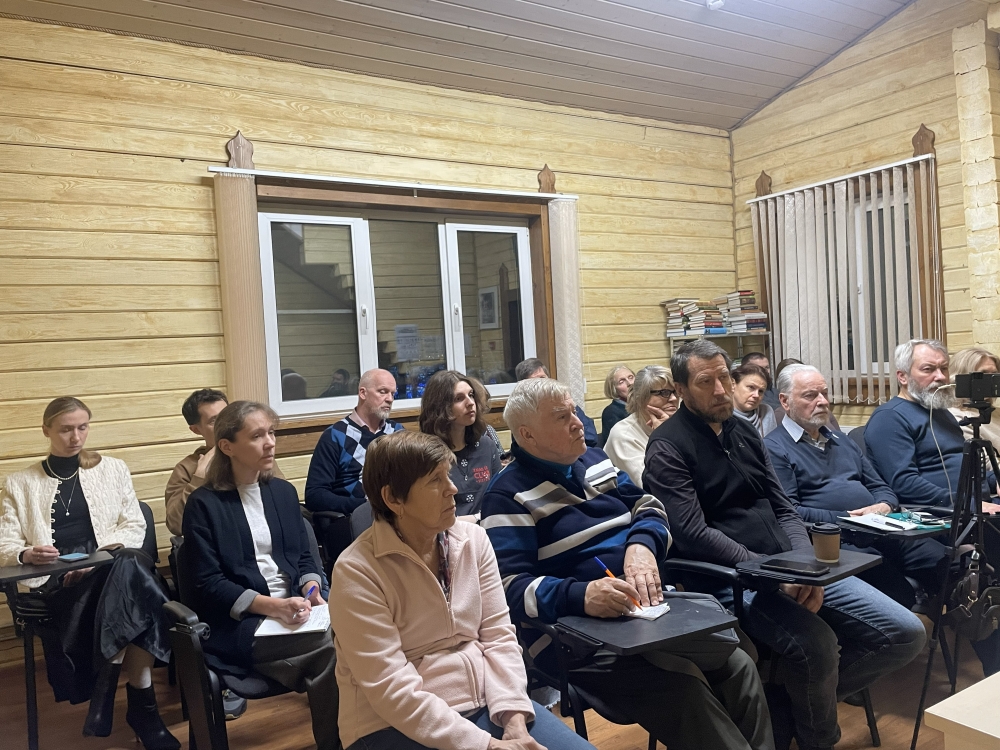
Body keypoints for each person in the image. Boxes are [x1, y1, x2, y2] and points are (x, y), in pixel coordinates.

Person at [644, 340, 925, 750]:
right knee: (819, 646)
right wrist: (775, 575)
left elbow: (784, 507)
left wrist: (802, 566)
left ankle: (793, 704)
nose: (721, 389)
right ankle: (818, 740)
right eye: (706, 381)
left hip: (791, 564)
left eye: (724, 377)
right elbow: (692, 532)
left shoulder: (743, 431)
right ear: (682, 390)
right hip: (730, 580)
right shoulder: (668, 446)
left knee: (906, 633)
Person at [481, 377, 775, 750]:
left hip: (648, 613)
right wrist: (581, 595)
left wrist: (642, 546)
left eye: (575, 411)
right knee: (684, 687)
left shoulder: (594, 460)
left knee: (739, 665)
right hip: (579, 640)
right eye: (562, 417)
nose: (578, 423)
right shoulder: (507, 496)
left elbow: (650, 506)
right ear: (527, 434)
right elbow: (508, 589)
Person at [330, 430, 595, 750]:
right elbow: (390, 687)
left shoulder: (473, 540)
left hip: (488, 702)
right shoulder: (356, 571)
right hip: (388, 724)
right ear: (393, 499)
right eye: (435, 480)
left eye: (448, 475)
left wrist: (514, 719)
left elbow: (499, 635)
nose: (453, 488)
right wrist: (486, 745)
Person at [0, 397, 178, 749]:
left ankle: (108, 682)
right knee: (139, 588)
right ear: (46, 430)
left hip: (108, 567)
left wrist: (96, 562)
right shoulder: (20, 482)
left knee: (126, 567)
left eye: (82, 427)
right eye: (66, 429)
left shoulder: (113, 469)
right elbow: (5, 543)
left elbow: (133, 525)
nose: (76, 437)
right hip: (57, 580)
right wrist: (26, 553)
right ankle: (142, 709)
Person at [182, 401, 340, 750]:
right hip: (240, 625)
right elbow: (208, 583)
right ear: (227, 446)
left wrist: (312, 588)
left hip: (297, 612)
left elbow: (303, 557)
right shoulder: (204, 505)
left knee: (357, 633)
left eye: (271, 432)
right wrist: (273, 607)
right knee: (334, 649)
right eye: (257, 436)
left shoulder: (282, 492)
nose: (270, 443)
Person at [765, 364, 948, 609]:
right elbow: (790, 512)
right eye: (810, 395)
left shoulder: (841, 440)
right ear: (785, 401)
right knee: (897, 591)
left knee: (949, 563)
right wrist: (849, 518)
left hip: (881, 529)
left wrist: (884, 506)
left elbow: (882, 487)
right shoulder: (774, 448)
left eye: (824, 393)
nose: (822, 402)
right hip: (837, 539)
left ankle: (955, 621)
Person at [865, 339, 998, 511]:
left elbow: (963, 468)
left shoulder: (941, 412)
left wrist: (995, 480)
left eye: (944, 368)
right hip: (941, 512)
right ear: (903, 377)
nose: (940, 377)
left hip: (978, 504)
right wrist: (968, 505)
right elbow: (905, 484)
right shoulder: (888, 418)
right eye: (928, 369)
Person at [305, 368, 403, 515]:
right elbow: (315, 495)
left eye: (393, 393)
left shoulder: (397, 432)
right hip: (353, 516)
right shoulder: (335, 435)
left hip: (395, 512)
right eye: (383, 392)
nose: (390, 399)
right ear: (363, 393)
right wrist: (364, 507)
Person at [419, 370, 502, 519]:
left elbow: (499, 496)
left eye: (471, 395)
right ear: (441, 407)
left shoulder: (486, 446)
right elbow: (425, 513)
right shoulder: (425, 454)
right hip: (445, 529)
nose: (470, 403)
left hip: (487, 527)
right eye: (458, 398)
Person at [604, 365, 679, 488]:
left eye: (675, 391)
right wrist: (664, 438)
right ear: (641, 398)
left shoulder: (682, 421)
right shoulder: (623, 435)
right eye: (664, 393)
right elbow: (655, 487)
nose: (674, 398)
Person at [515, 358, 598, 446]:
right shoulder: (521, 416)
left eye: (542, 378)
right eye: (533, 382)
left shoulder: (565, 403)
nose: (540, 384)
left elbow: (591, 437)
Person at [949, 347, 1000, 453]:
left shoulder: (994, 412)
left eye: (994, 374)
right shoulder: (955, 417)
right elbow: (985, 461)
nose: (990, 380)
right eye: (983, 374)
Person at [731, 362, 777, 437]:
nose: (756, 395)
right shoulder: (722, 415)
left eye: (761, 391)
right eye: (751, 387)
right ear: (733, 385)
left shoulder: (765, 412)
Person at [599, 364, 634, 447]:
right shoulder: (611, 412)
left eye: (631, 377)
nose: (630, 383)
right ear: (614, 389)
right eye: (621, 382)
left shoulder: (644, 405)